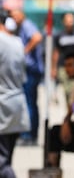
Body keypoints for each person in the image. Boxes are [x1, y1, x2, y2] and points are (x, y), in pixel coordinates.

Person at [0, 9, 30, 177]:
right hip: (16, 106)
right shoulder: (17, 42)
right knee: (7, 158)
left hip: (2, 107)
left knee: (2, 165)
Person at [10, 8, 44, 146]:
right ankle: (30, 134)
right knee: (30, 103)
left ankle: (28, 135)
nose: (14, 19)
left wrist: (23, 52)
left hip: (31, 71)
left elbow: (37, 37)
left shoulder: (27, 25)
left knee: (29, 104)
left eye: (15, 15)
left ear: (22, 14)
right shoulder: (22, 27)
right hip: (29, 71)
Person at [51, 12, 74, 97]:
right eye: (68, 20)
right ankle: (71, 108)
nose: (70, 22)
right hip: (64, 66)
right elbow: (56, 52)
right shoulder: (59, 35)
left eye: (71, 20)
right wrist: (54, 68)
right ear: (63, 21)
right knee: (68, 90)